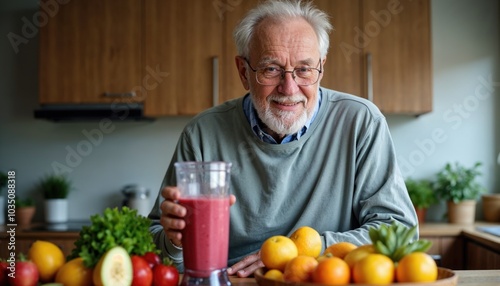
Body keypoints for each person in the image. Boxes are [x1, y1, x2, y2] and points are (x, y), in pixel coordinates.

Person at [149, 0, 417, 278]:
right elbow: (160, 249)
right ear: (244, 72)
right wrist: (176, 242)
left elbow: (399, 230)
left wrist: (299, 254)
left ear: (321, 68)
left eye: (304, 69)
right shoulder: (203, 134)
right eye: (271, 69)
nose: (289, 88)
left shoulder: (361, 122)